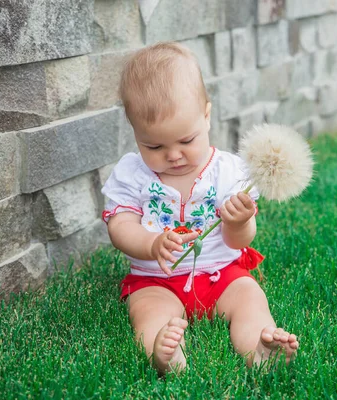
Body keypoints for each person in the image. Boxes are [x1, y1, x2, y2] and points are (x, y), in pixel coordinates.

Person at [101, 42, 298, 374]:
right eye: (154, 145)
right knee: (148, 312)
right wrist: (150, 244)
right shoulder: (131, 174)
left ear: (206, 116)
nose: (173, 155)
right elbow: (119, 227)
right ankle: (165, 352)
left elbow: (240, 243)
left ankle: (260, 347)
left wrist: (238, 222)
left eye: (186, 140)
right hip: (157, 280)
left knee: (249, 297)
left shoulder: (229, 172)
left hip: (222, 275)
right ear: (134, 132)